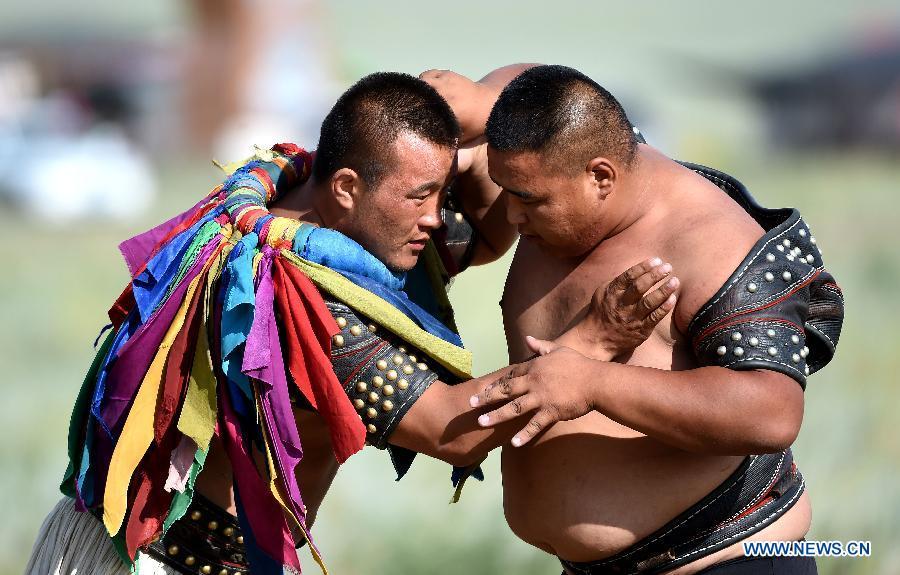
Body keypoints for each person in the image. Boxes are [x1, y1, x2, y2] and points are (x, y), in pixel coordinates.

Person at [24, 70, 675, 575]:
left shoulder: (312, 199)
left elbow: (485, 217)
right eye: (422, 198)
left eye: (438, 195)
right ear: (345, 189)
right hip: (156, 561)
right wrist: (587, 346)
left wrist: (487, 106)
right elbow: (452, 429)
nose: (435, 217)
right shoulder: (300, 301)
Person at [420, 65, 845, 574]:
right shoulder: (558, 155)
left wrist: (594, 382)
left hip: (730, 560)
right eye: (505, 190)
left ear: (601, 176)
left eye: (529, 200)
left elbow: (772, 412)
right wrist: (478, 104)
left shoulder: (710, 241)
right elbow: (539, 84)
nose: (510, 217)